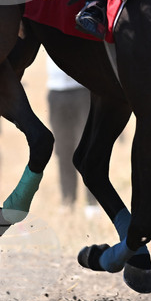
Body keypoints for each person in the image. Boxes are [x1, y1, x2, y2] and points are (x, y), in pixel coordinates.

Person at [45, 58, 98, 215]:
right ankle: (68, 200)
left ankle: (92, 203)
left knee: (87, 148)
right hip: (56, 91)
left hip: (84, 89)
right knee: (63, 149)